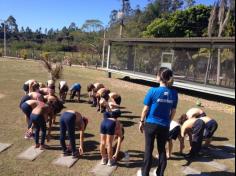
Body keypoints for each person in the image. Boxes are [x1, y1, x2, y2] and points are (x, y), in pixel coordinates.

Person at [139, 67, 178, 176]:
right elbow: (173, 110)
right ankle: (159, 174)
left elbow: (145, 109)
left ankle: (145, 174)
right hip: (164, 126)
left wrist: (141, 121)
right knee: (162, 151)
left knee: (148, 151)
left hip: (151, 124)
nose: (155, 76)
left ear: (160, 77)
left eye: (156, 74)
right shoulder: (174, 93)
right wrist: (168, 121)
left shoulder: (153, 90)